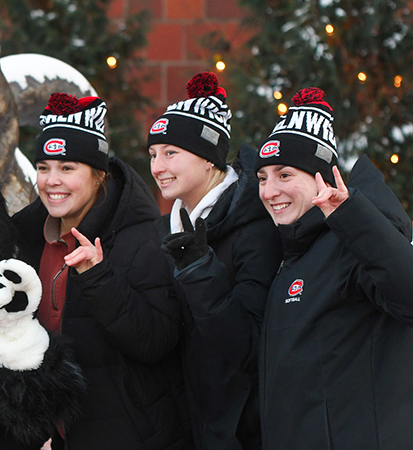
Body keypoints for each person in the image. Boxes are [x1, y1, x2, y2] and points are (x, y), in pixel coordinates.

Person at [13, 93, 191, 449]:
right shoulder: (26, 241)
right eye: (43, 167)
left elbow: (156, 340)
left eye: (67, 168)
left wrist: (98, 276)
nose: (52, 181)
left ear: (98, 175)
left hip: (133, 437)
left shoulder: (143, 238)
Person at [254, 87, 413, 449]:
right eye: (262, 178)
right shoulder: (291, 253)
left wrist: (352, 215)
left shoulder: (353, 242)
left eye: (284, 175)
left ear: (322, 180)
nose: (269, 190)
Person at [147, 72, 282, 450]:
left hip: (245, 432)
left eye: (171, 152)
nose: (157, 166)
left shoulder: (256, 229)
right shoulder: (167, 231)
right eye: (153, 154)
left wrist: (200, 270)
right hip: (191, 425)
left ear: (209, 159)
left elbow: (249, 349)